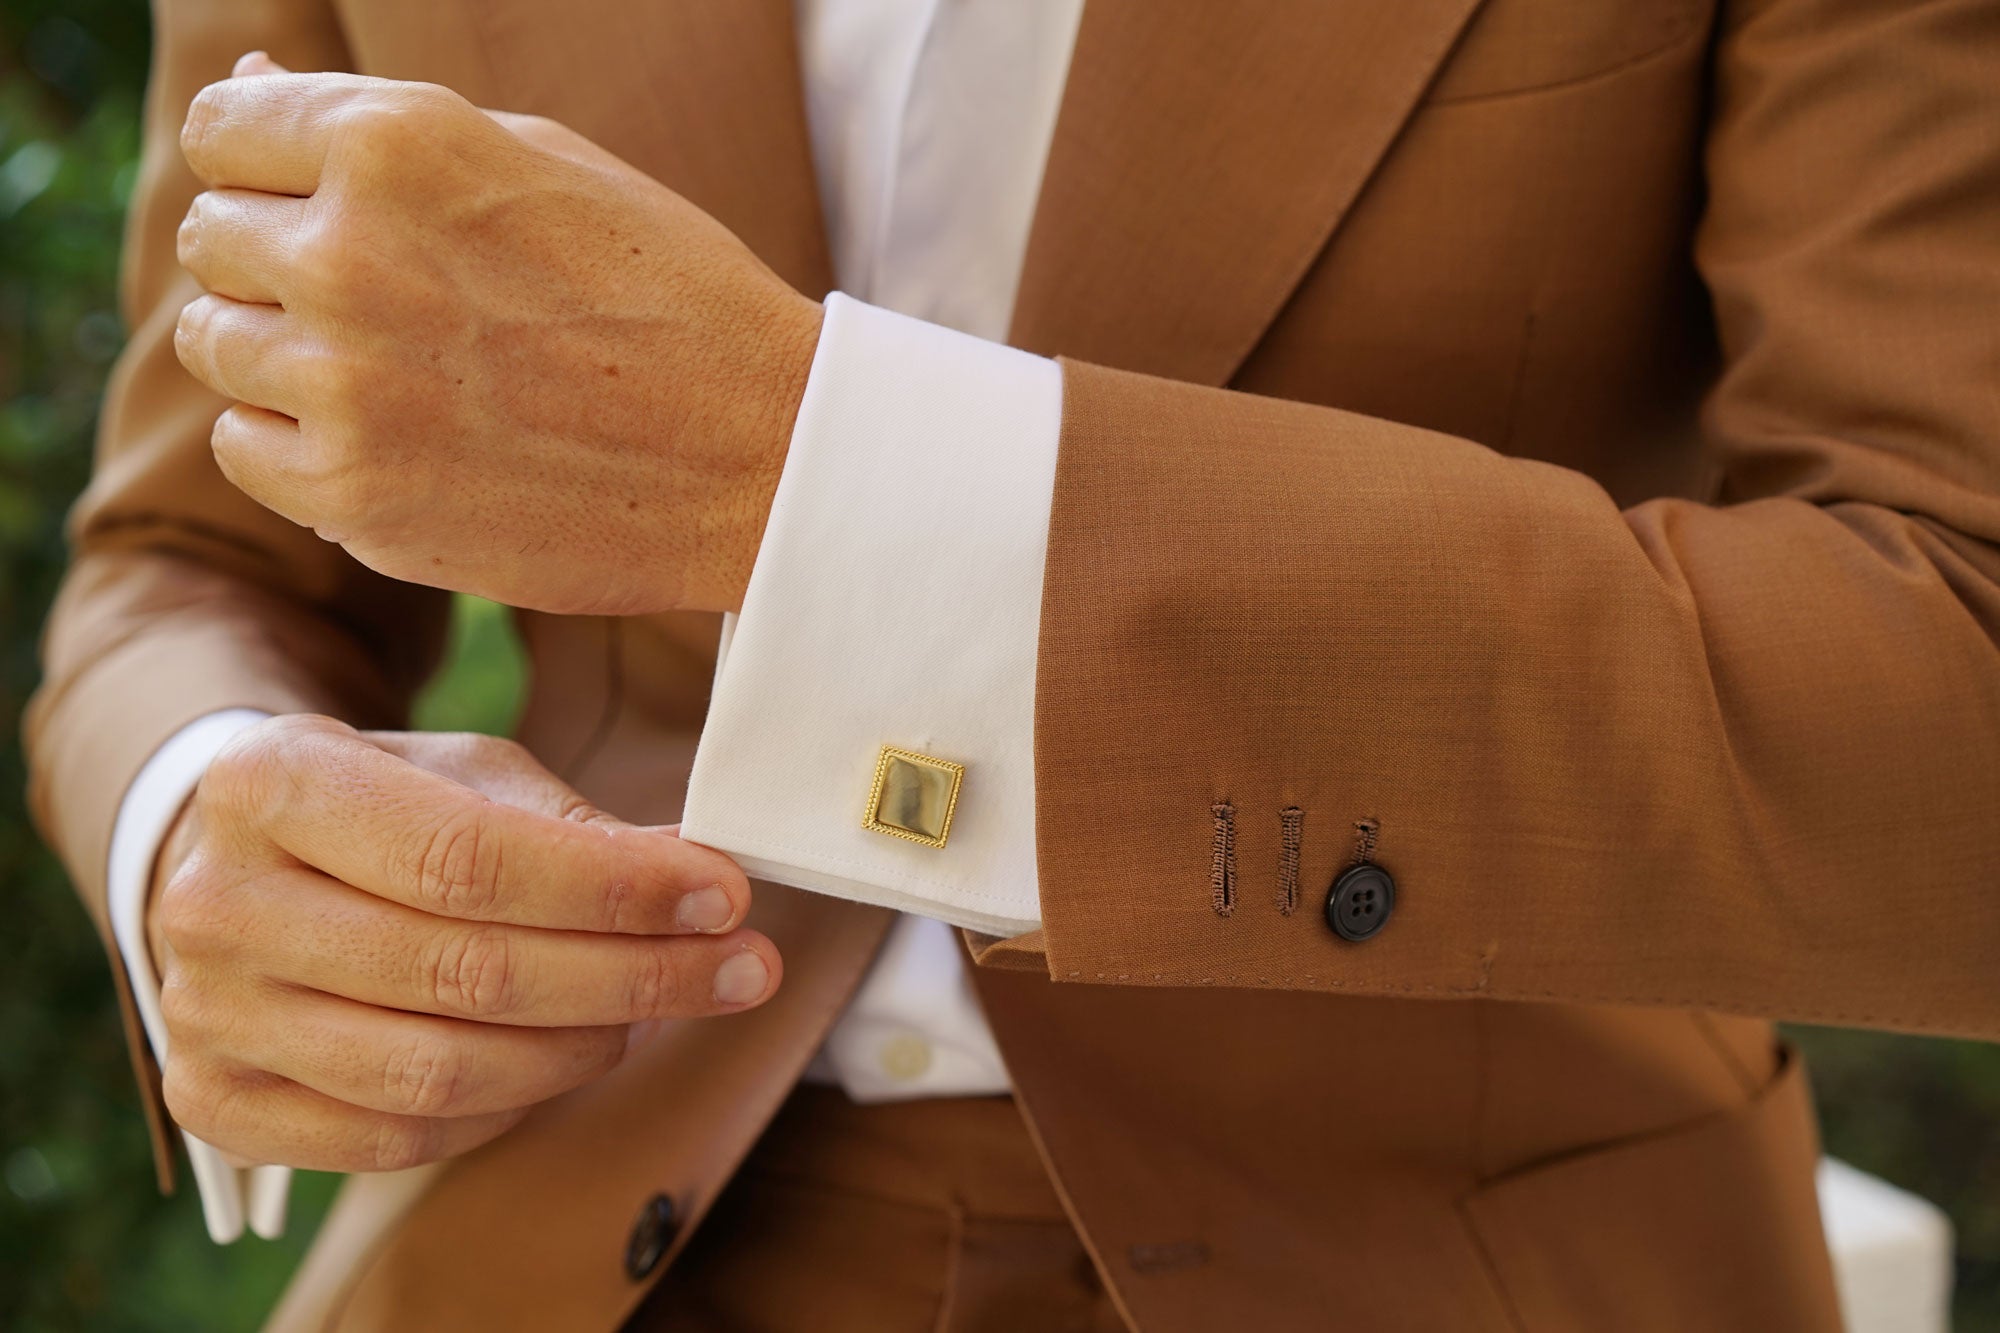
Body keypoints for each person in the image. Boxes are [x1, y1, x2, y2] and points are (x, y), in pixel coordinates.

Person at [25, 0, 2000, 1329]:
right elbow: (185, 551)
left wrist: (814, 467)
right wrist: (193, 812)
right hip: (563, 1222)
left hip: (1467, 1242)